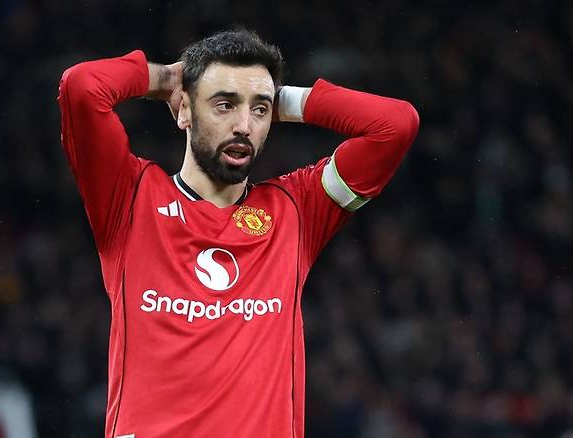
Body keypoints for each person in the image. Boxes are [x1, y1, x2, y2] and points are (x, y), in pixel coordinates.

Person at [58, 29, 419, 438]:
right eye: (225, 105)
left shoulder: (297, 210)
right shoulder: (129, 198)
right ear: (184, 110)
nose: (244, 126)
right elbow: (82, 87)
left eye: (259, 110)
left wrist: (286, 100)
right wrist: (167, 79)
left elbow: (395, 125)